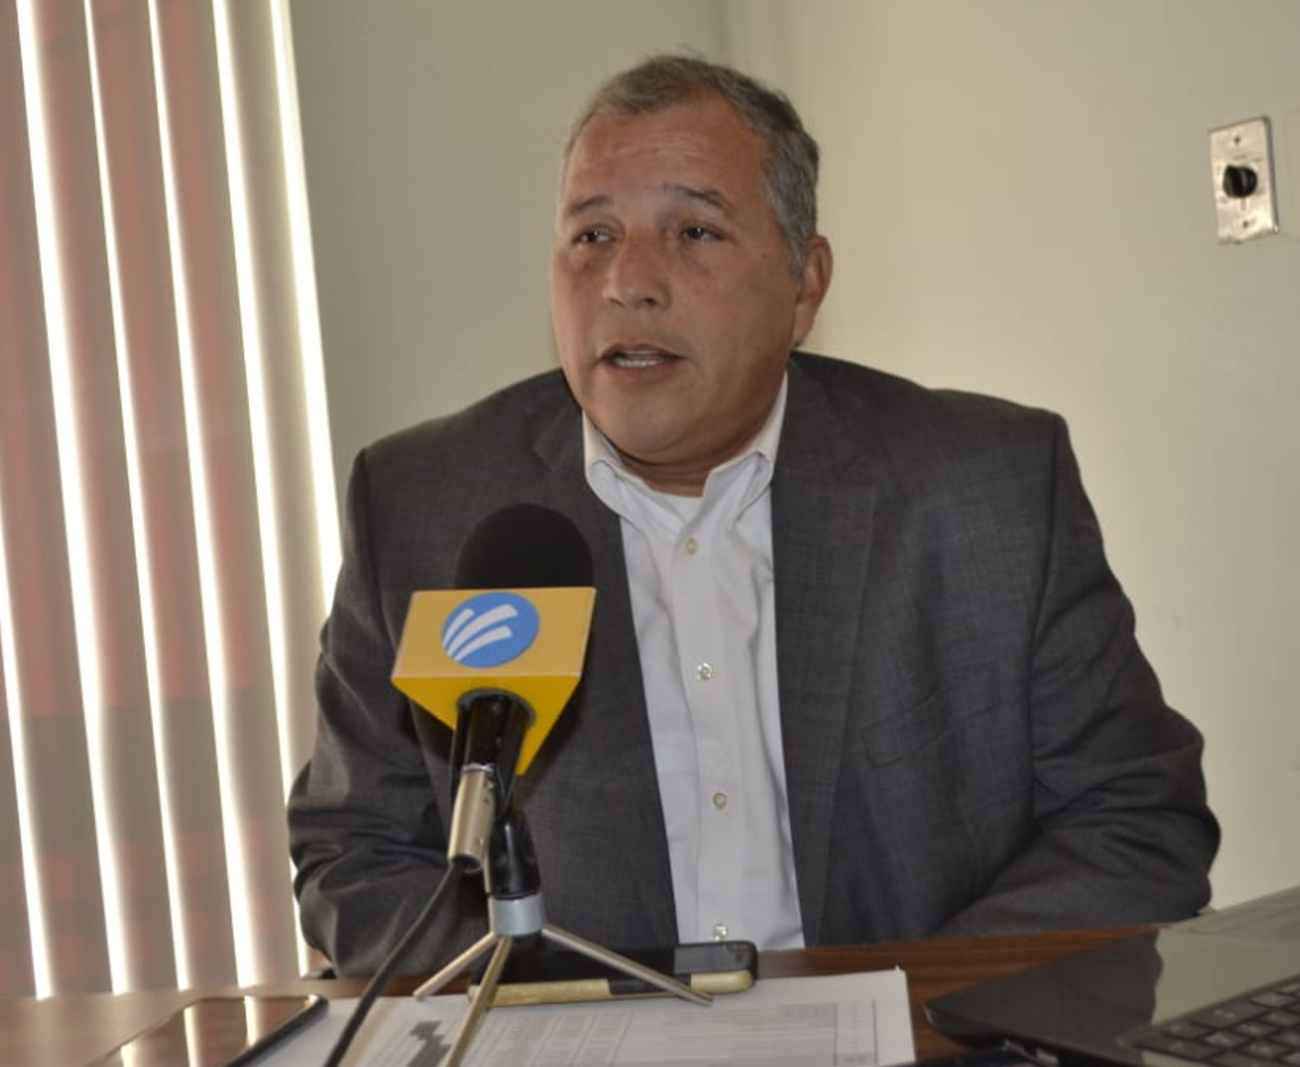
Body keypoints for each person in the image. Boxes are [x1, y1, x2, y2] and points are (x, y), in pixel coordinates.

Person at [287, 54, 1219, 978]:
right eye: (592, 236)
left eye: (694, 231)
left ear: (804, 286)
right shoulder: (425, 505)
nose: (627, 281)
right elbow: (355, 853)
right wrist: (555, 1013)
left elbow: (1135, 821)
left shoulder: (987, 489)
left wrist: (910, 1009)